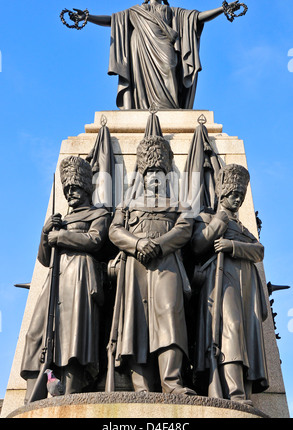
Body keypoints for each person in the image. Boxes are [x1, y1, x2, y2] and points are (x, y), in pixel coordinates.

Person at [71, 0, 241, 110]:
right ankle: (144, 109)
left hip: (164, 46)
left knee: (169, 69)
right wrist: (88, 17)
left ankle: (169, 109)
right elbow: (113, 20)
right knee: (140, 82)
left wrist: (222, 9)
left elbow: (196, 18)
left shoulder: (171, 11)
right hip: (140, 49)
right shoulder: (136, 11)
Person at [108, 135, 195, 394]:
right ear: (142, 177)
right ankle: (141, 387)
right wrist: (136, 244)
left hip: (167, 264)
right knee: (136, 322)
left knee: (170, 316)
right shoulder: (126, 204)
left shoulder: (180, 204)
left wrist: (158, 245)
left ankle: (172, 383)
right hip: (134, 268)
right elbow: (114, 231)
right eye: (150, 173)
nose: (154, 177)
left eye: (159, 173)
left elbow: (185, 229)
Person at [20, 156, 111, 401]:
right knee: (36, 334)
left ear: (85, 188)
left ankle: (71, 392)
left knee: (73, 337)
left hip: (80, 277)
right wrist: (45, 231)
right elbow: (45, 259)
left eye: (75, 187)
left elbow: (95, 240)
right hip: (55, 280)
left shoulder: (99, 214)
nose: (70, 192)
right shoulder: (60, 220)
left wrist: (60, 237)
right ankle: (32, 394)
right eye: (67, 188)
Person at [190, 164, 269, 405]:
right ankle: (232, 393)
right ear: (222, 194)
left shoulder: (244, 228)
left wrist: (232, 247)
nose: (237, 200)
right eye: (233, 195)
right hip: (222, 280)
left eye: (240, 196)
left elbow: (259, 251)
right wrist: (218, 223)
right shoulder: (206, 218)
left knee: (245, 336)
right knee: (229, 330)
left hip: (247, 286)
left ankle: (243, 392)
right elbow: (196, 246)